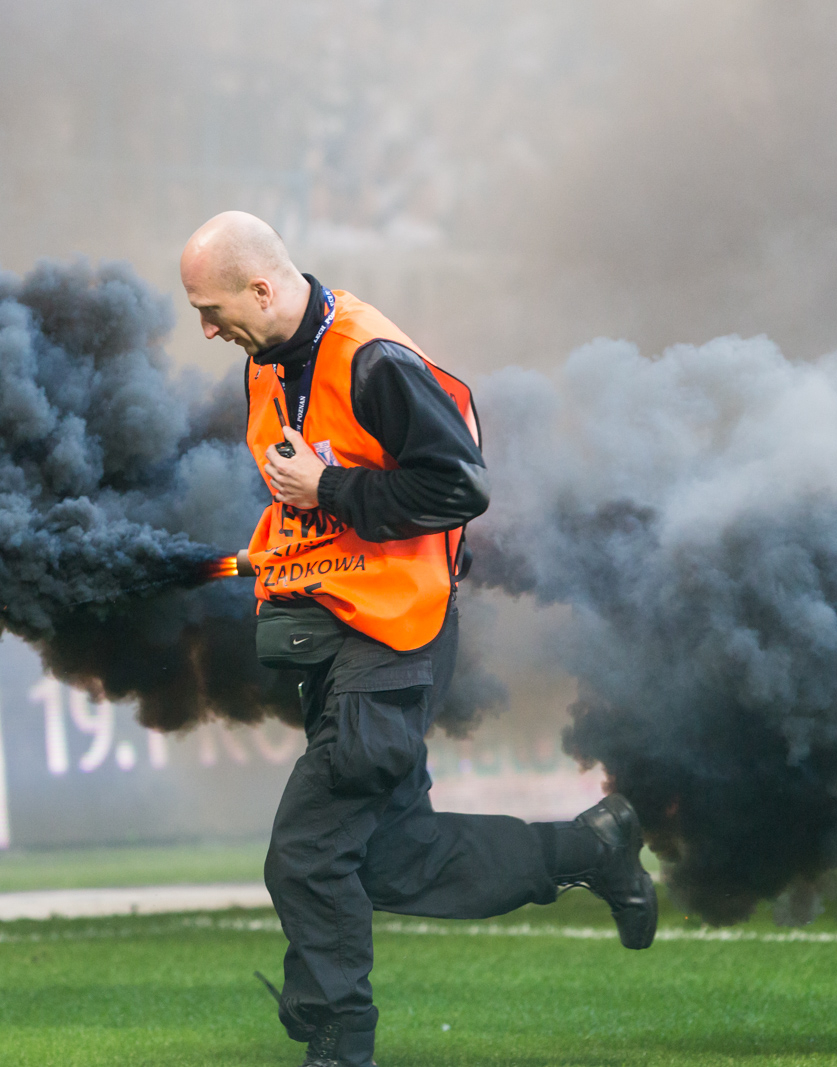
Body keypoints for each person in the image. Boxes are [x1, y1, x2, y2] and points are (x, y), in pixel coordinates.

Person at [180, 211, 657, 1067]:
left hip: (395, 640)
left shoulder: (371, 357)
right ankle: (592, 846)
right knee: (398, 859)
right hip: (342, 639)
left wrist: (330, 486)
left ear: (261, 286)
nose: (207, 328)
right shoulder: (268, 363)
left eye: (211, 308)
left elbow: (458, 487)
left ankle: (339, 1039)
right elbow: (307, 496)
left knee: (308, 852)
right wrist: (295, 536)